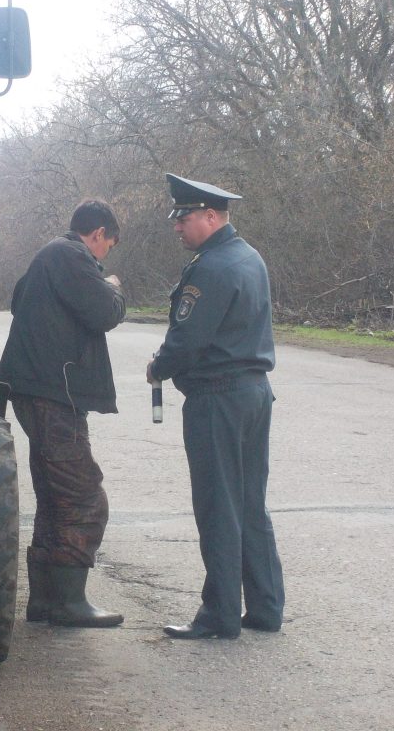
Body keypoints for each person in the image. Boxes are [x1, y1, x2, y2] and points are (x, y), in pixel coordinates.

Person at [147, 173, 285, 639]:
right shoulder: (249, 257)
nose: (177, 226)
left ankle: (220, 615)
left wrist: (158, 367)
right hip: (254, 392)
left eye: (184, 217)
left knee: (218, 507)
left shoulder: (211, 267)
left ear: (211, 215)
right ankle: (265, 608)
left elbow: (187, 340)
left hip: (217, 398)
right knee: (250, 505)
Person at [0, 199, 126, 628]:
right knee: (82, 494)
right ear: (97, 234)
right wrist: (112, 287)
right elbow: (104, 312)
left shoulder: (48, 257)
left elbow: (18, 301)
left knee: (54, 495)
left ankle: (46, 602)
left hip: (38, 389)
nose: (104, 253)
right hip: (54, 394)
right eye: (108, 244)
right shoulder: (71, 254)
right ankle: (69, 602)